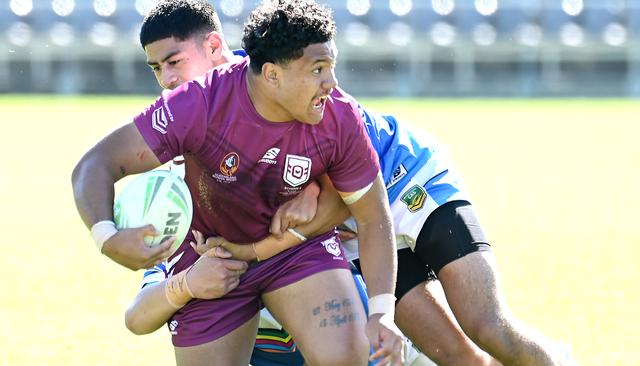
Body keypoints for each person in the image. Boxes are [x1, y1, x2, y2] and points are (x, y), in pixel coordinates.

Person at [120, 1, 575, 366]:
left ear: (215, 46)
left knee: (487, 325)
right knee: (456, 356)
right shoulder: (197, 118)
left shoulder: (270, 68)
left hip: (401, 176)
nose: (167, 79)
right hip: (351, 227)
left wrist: (316, 192)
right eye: (157, 69)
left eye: (175, 62)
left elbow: (333, 142)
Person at [71, 0, 405, 365]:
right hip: (210, 258)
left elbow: (373, 216)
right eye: (318, 69)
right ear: (273, 75)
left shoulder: (339, 114)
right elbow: (96, 164)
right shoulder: (195, 104)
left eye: (330, 66)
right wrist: (107, 238)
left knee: (345, 359)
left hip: (294, 253)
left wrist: (382, 311)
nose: (332, 82)